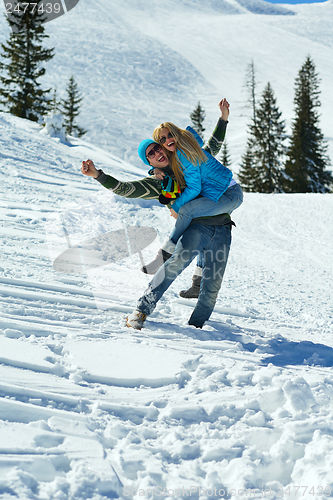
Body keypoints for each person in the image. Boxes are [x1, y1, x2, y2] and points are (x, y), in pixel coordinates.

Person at [81, 99, 231, 298]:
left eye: (157, 147)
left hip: (210, 207)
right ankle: (166, 277)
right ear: (149, 162)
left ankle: (196, 283)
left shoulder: (184, 157)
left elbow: (212, 147)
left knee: (207, 243)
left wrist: (223, 118)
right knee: (195, 246)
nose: (157, 152)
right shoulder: (157, 182)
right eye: (150, 154)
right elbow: (126, 189)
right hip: (193, 218)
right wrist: (98, 175)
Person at [138, 114, 243, 274]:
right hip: (221, 193)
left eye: (170, 135)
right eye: (162, 139)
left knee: (187, 212)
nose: (167, 140)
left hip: (228, 193)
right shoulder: (183, 148)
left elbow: (194, 187)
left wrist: (176, 207)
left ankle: (163, 257)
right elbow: (170, 164)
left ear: (176, 134)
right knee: (200, 223)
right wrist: (154, 169)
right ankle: (198, 280)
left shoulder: (183, 153)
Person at [126, 214, 233, 330]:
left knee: (213, 283)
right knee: (174, 266)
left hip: (223, 230)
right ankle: (140, 311)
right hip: (198, 226)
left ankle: (197, 325)